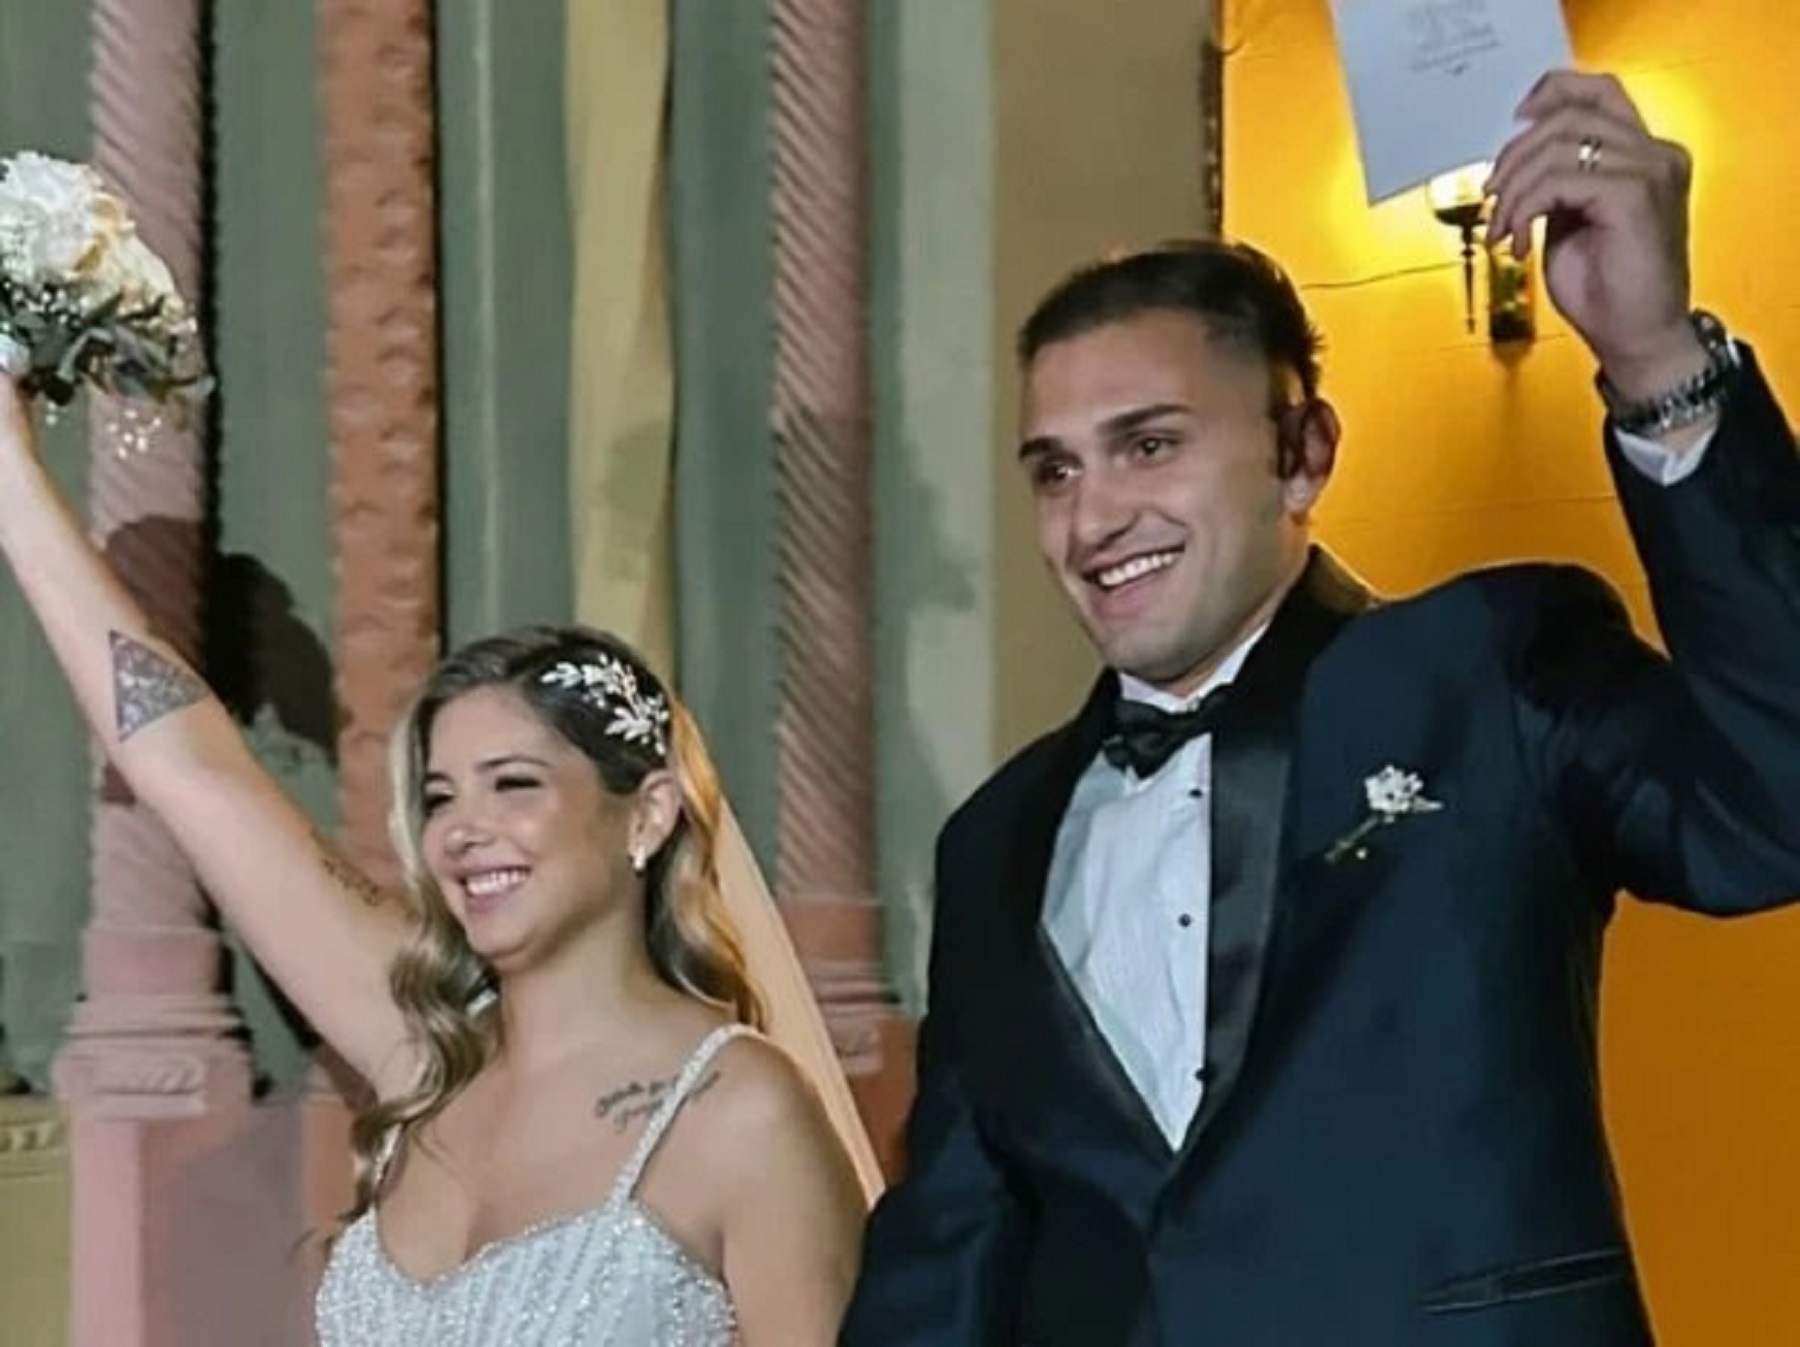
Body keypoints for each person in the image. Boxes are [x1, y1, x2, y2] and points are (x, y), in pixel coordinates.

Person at [841, 69, 1800, 1345]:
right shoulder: (993, 840)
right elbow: (950, 1258)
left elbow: (1770, 811)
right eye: (1054, 471)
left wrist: (1656, 360)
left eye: (1150, 445)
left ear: (1304, 454)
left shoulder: (1486, 667)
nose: (1093, 517)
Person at [0, 403, 882, 1343]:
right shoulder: (431, 1055)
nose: (464, 830)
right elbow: (192, 771)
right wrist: (12, 474)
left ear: (650, 812)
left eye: (515, 783)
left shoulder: (738, 1111)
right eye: (441, 796)